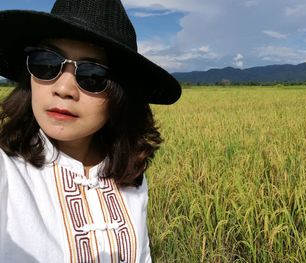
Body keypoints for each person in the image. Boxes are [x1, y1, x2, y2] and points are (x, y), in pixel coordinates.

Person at [0, 0, 181, 262]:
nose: (63, 88)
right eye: (46, 63)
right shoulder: (7, 172)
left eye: (92, 75)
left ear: (122, 94)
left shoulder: (131, 179)